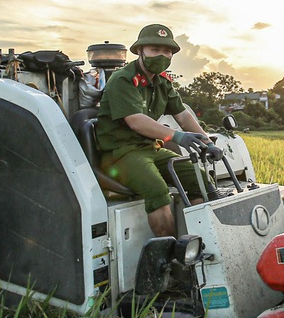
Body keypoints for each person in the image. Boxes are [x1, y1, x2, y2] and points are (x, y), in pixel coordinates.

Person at [95, 23, 224, 238]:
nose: (162, 55)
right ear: (140, 51)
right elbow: (136, 121)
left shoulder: (162, 82)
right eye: (155, 50)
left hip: (152, 149)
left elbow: (182, 116)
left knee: (198, 178)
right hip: (121, 154)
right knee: (156, 189)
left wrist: (207, 143)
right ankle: (173, 253)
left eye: (167, 51)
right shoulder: (123, 80)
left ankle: (202, 244)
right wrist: (176, 136)